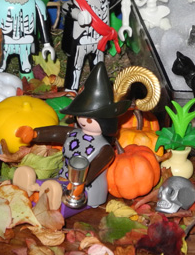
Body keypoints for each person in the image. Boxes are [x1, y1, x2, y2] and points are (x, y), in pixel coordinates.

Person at [17, 62, 129, 208]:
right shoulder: (74, 134)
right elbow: (56, 132)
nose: (82, 121)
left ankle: (43, 197)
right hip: (63, 179)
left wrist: (81, 182)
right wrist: (35, 133)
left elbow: (95, 168)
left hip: (85, 189)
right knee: (47, 185)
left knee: (54, 192)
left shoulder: (104, 149)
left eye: (89, 119)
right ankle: (28, 188)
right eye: (80, 115)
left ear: (105, 122)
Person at [62, 0, 119, 92]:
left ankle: (98, 87)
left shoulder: (103, 0)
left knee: (98, 65)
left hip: (99, 41)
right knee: (75, 66)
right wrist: (78, 15)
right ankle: (71, 89)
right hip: (80, 43)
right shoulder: (75, 2)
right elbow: (67, 7)